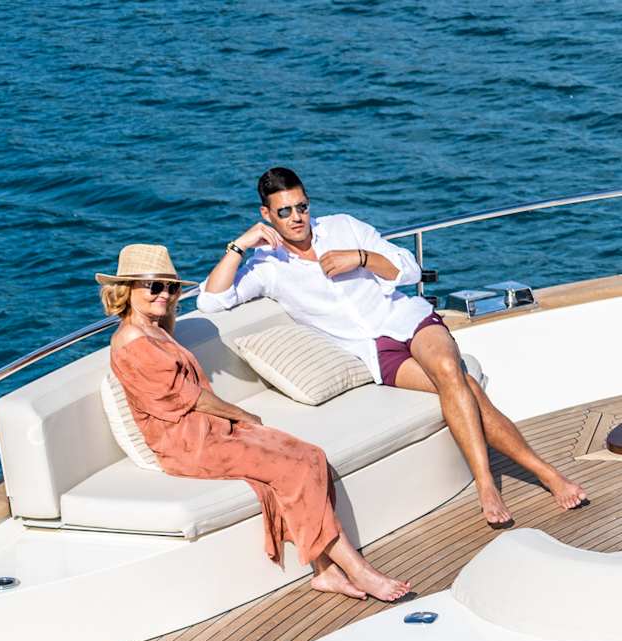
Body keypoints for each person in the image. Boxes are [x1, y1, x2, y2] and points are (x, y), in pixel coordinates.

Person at [197, 167, 587, 527]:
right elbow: (210, 302)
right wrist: (239, 246)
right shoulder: (267, 266)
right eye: (285, 212)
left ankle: (486, 483)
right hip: (372, 352)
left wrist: (361, 258)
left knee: (451, 372)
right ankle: (545, 474)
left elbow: (409, 268)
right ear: (266, 215)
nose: (297, 218)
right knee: (464, 388)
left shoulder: (343, 227)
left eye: (301, 207)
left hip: (407, 320)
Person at [96, 242, 411, 602]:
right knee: (294, 464)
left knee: (309, 455)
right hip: (186, 443)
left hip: (205, 430)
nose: (164, 295)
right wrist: (243, 416)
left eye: (170, 287)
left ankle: (326, 573)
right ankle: (359, 570)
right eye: (154, 287)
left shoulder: (156, 329)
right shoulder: (134, 343)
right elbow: (189, 398)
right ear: (127, 290)